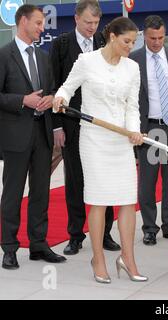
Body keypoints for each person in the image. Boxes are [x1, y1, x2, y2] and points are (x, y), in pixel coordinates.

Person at [53, 17, 147, 283]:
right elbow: (67, 88)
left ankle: (128, 259)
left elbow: (132, 107)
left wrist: (134, 130)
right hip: (94, 140)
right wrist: (61, 99)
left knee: (128, 201)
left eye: (133, 42)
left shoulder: (132, 68)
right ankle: (98, 258)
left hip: (121, 141)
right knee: (98, 201)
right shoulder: (87, 61)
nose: (131, 46)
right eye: (127, 41)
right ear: (113, 37)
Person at [49, 0, 120, 256]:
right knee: (76, 182)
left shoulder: (105, 43)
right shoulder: (62, 45)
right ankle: (76, 235)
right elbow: (54, 86)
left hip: (102, 125)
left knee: (104, 179)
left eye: (96, 23)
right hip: (71, 124)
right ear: (76, 18)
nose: (92, 27)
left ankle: (105, 234)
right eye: (88, 22)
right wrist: (57, 125)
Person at [0, 4, 66, 270]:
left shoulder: (43, 56)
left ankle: (38, 245)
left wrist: (51, 99)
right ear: (23, 21)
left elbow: (51, 91)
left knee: (41, 193)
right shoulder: (4, 55)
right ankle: (9, 248)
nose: (42, 27)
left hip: (42, 135)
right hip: (15, 137)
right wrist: (22, 100)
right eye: (38, 23)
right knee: (13, 194)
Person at [130, 15, 168, 246]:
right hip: (149, 127)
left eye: (161, 37)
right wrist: (135, 129)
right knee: (147, 182)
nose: (157, 42)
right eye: (152, 38)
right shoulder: (133, 60)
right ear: (144, 35)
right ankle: (149, 228)